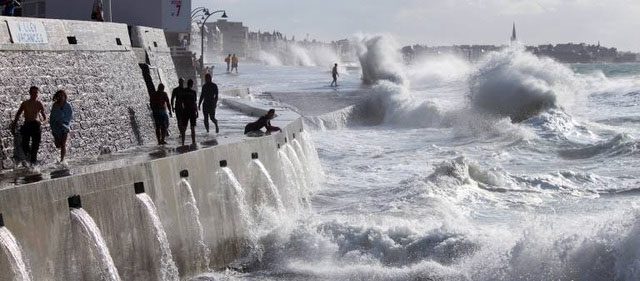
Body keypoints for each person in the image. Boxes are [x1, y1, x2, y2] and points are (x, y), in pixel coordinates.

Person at [11, 86, 46, 166]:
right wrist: (14, 125)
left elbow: (45, 118)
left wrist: (42, 123)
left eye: (36, 93)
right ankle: (31, 157)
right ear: (30, 93)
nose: (35, 94)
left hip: (36, 125)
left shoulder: (39, 104)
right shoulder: (25, 103)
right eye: (33, 93)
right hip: (27, 125)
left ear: (38, 94)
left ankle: (33, 166)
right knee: (25, 145)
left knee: (35, 146)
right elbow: (18, 115)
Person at [176, 79, 198, 146]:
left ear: (187, 84)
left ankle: (183, 142)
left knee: (184, 127)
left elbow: (181, 102)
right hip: (192, 111)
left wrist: (182, 110)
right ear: (192, 84)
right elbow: (194, 103)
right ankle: (193, 142)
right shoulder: (193, 92)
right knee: (192, 127)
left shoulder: (183, 91)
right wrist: (197, 111)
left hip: (185, 111)